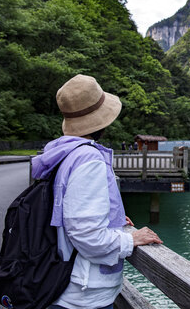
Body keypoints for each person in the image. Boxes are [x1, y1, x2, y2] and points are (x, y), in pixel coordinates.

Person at [31, 74, 162, 309]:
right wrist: (130, 238)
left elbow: (67, 209)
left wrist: (112, 221)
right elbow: (87, 235)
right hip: (82, 296)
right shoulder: (88, 159)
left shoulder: (61, 154)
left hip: (59, 282)